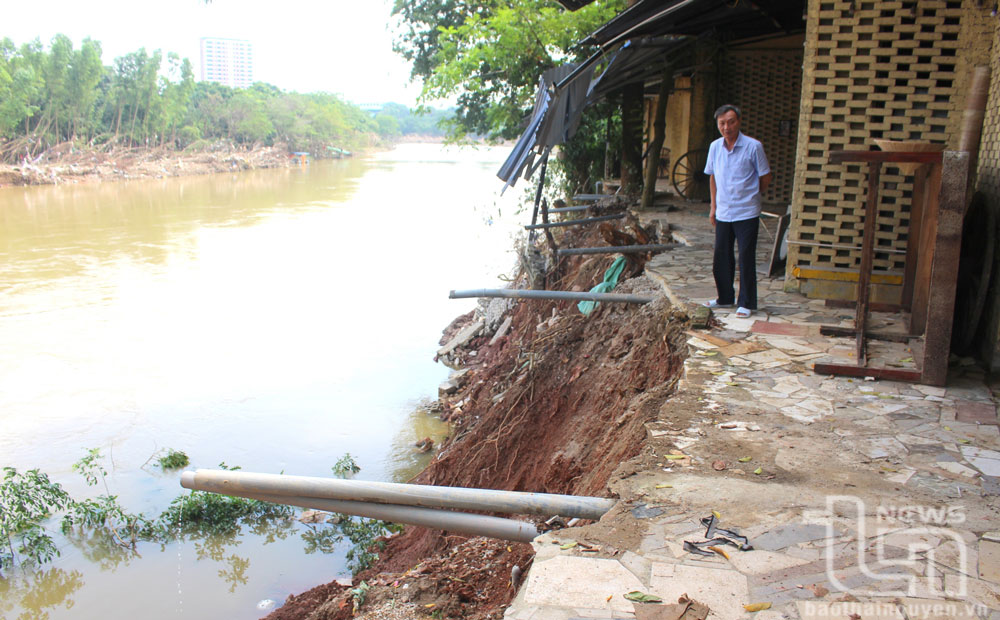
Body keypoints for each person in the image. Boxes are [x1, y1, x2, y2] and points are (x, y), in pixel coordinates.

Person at [702, 104, 771, 318]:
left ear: (738, 122)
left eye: (731, 122)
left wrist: (753, 194)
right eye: (722, 123)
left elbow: (765, 176)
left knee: (746, 257)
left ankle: (746, 302)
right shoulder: (715, 147)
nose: (727, 127)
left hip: (747, 211)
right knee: (721, 256)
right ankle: (724, 298)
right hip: (723, 210)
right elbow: (713, 177)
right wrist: (713, 207)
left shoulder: (753, 147)